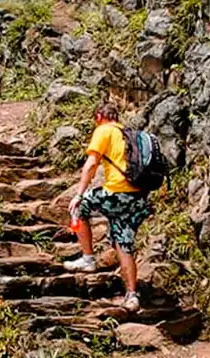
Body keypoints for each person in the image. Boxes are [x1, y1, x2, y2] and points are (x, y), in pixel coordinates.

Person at [62, 103, 153, 311]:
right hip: (138, 198)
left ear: (99, 116)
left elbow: (91, 164)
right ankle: (131, 295)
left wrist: (79, 194)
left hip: (116, 193)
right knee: (124, 244)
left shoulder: (103, 130)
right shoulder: (129, 134)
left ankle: (88, 258)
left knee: (78, 208)